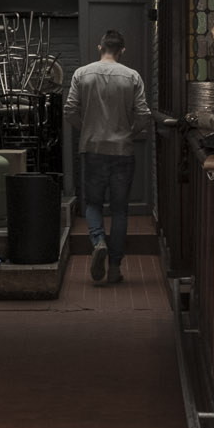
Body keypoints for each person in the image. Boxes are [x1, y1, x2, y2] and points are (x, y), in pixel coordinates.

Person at [63, 29, 152, 285]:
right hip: (122, 150)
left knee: (92, 204)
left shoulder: (82, 73)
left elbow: (70, 110)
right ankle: (114, 267)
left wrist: (88, 129)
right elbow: (143, 114)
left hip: (92, 150)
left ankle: (98, 240)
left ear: (100, 47)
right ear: (122, 50)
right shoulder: (132, 76)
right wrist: (129, 132)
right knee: (120, 210)